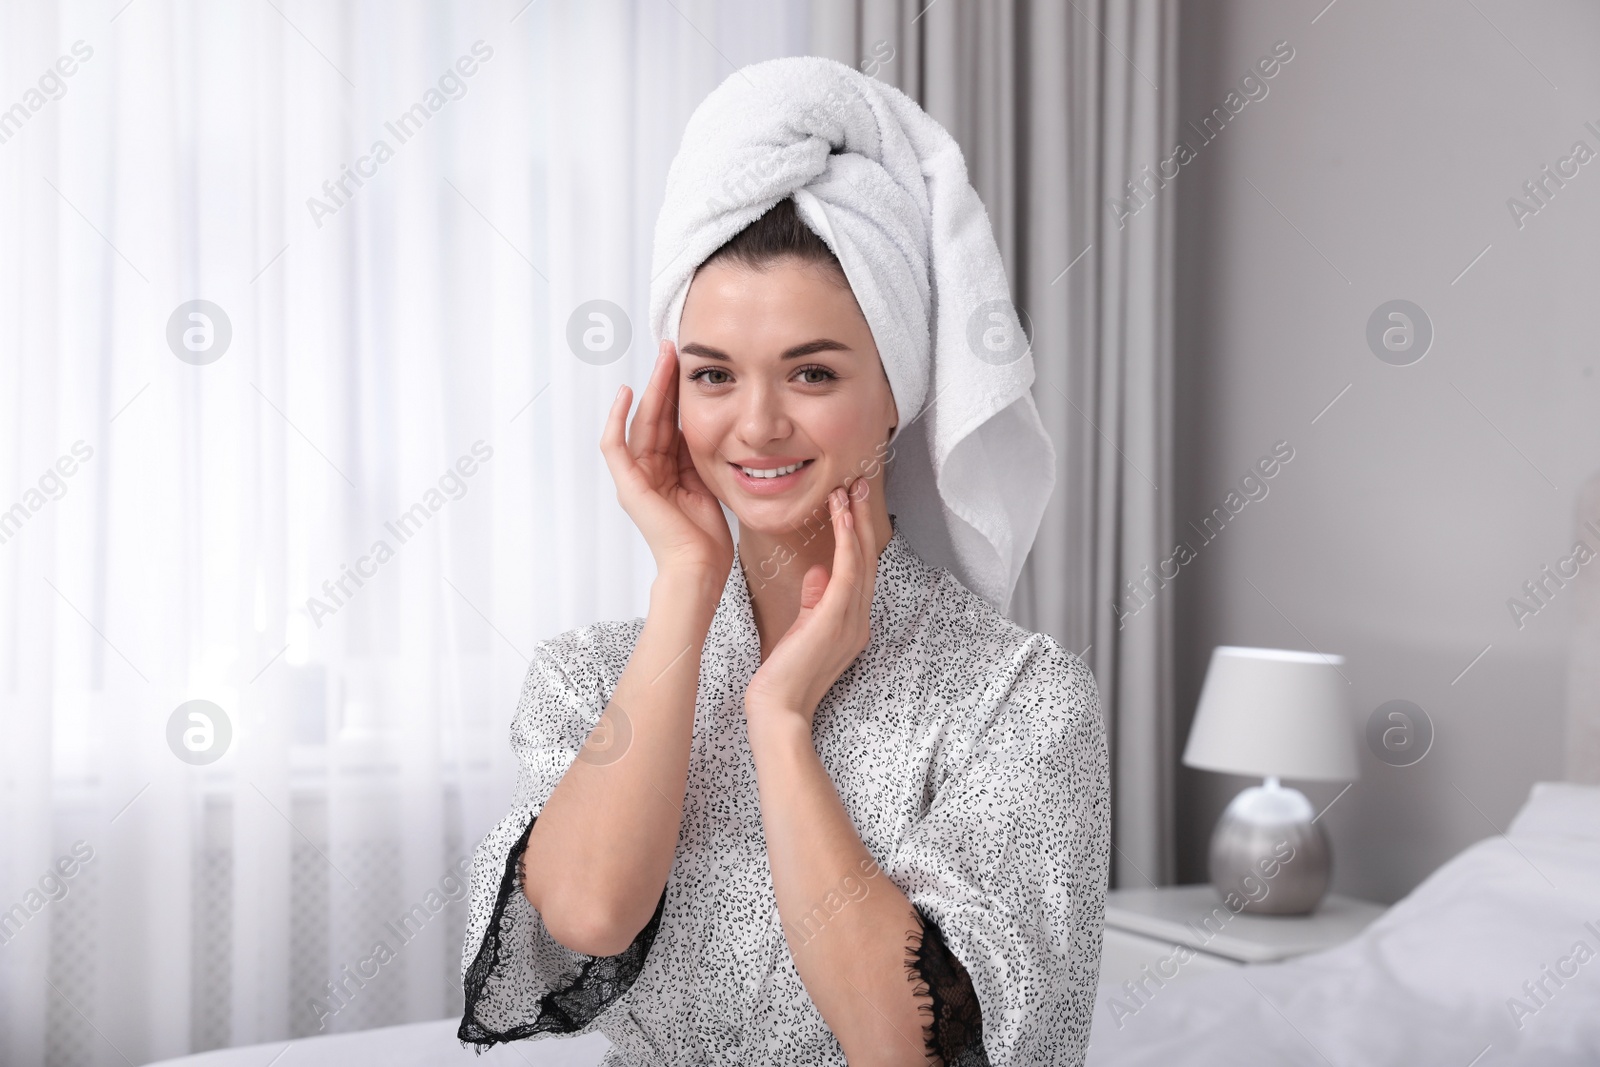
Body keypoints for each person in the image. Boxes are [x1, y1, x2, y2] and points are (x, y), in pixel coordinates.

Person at [459, 57, 1109, 1067]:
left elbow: (910, 1045)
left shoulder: (1019, 702)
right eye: (713, 374)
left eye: (811, 371)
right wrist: (686, 582)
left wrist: (781, 720)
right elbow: (587, 913)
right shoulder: (587, 677)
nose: (756, 424)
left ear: (897, 388)